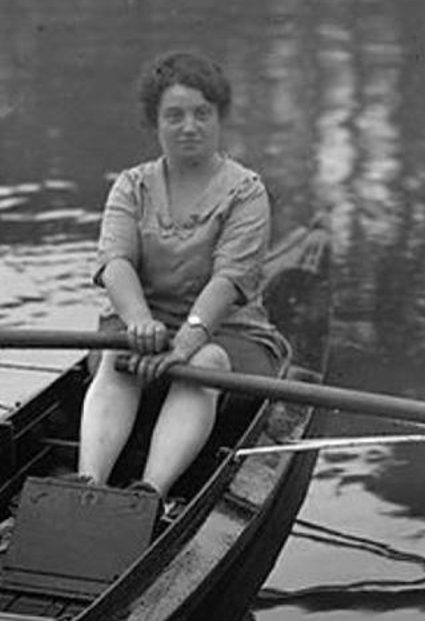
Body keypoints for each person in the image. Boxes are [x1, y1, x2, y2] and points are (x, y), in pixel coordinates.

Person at [76, 50, 286, 502]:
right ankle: (87, 487)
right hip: (142, 334)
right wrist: (137, 323)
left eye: (201, 114)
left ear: (218, 118)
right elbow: (115, 263)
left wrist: (188, 340)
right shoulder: (132, 186)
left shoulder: (246, 192)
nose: (189, 126)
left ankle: (149, 493)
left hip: (229, 337)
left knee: (202, 364)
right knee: (117, 358)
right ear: (155, 123)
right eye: (174, 116)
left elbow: (229, 280)